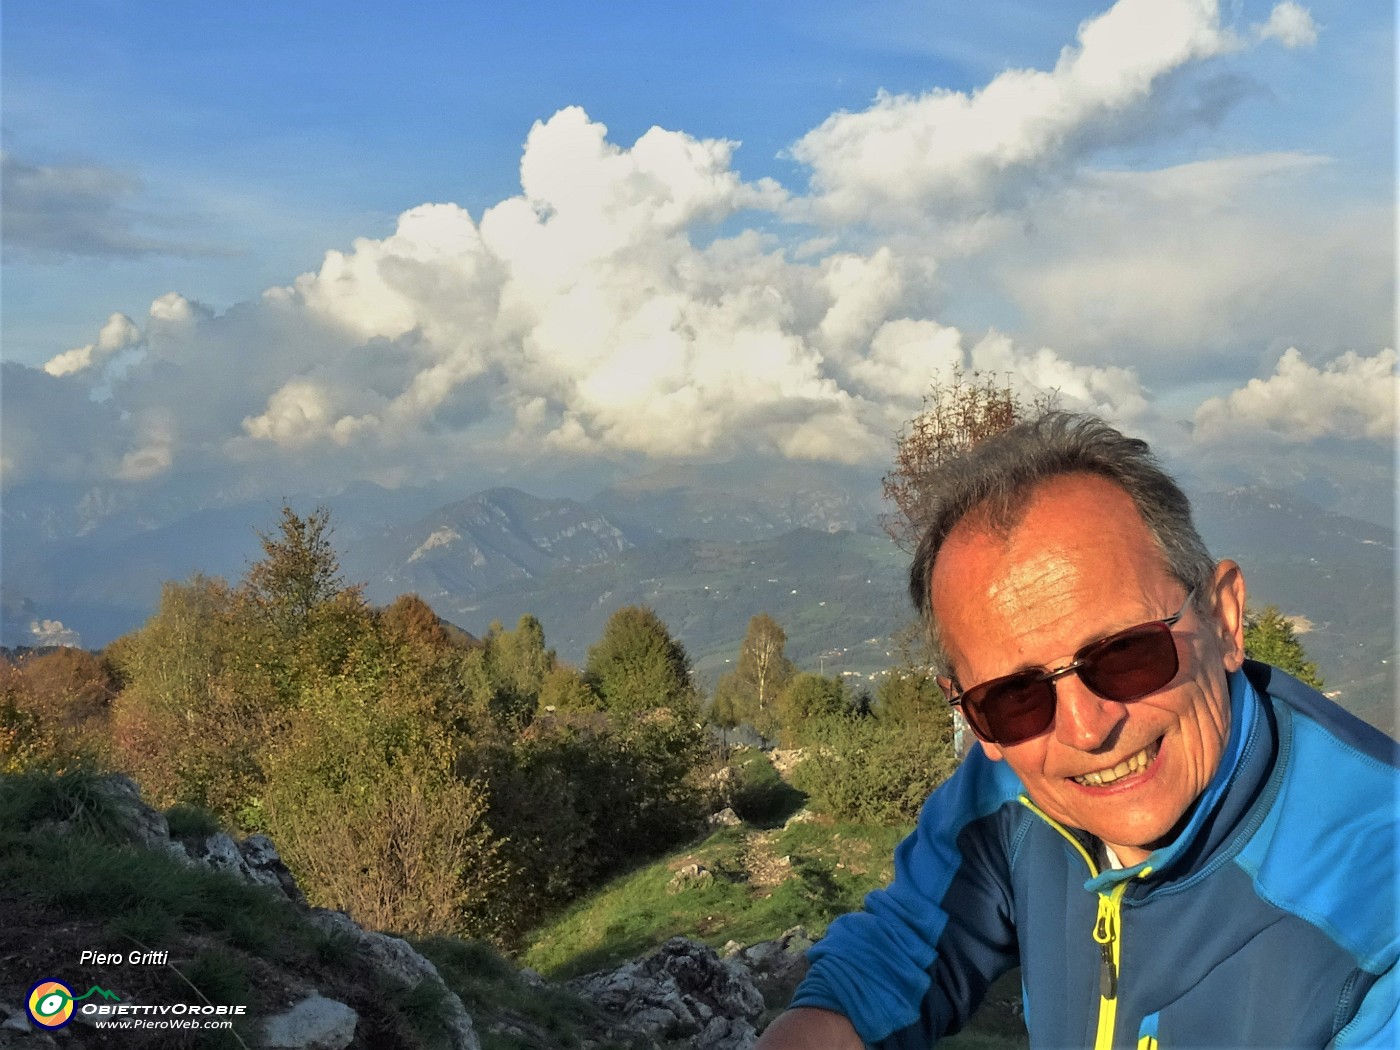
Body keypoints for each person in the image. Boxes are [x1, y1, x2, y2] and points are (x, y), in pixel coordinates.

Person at [755, 412, 1398, 1050]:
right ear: (971, 715)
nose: (1085, 730)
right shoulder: (1008, 786)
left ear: (1224, 620)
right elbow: (900, 951)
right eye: (1014, 696)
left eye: (1126, 655)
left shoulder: (1377, 913)